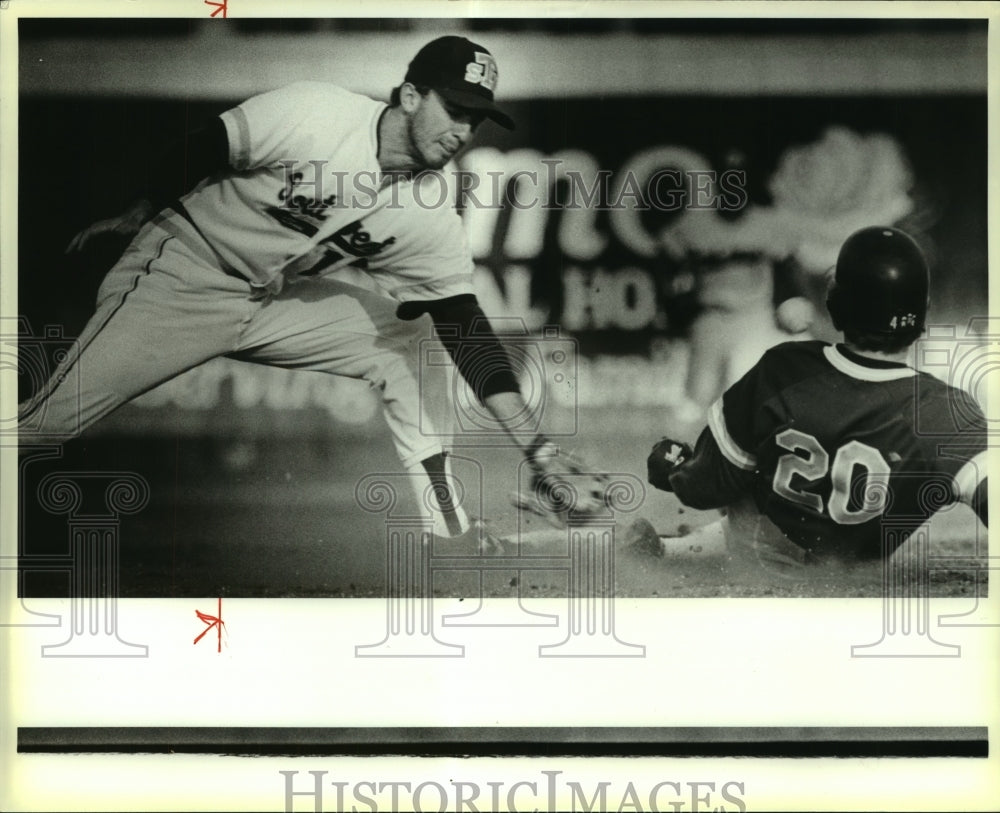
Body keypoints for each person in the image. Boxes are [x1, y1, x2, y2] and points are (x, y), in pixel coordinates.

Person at [19, 35, 564, 540]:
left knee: (411, 337)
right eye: (455, 110)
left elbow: (463, 326)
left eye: (475, 119)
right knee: (47, 424)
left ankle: (449, 531)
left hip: (264, 299)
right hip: (181, 275)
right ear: (410, 96)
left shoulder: (428, 210)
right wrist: (143, 205)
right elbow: (210, 143)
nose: (463, 132)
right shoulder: (318, 113)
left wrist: (538, 449)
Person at [645, 226, 988, 566]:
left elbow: (708, 487)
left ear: (835, 305)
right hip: (857, 575)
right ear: (921, 314)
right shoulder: (946, 411)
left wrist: (675, 467)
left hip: (764, 559)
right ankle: (678, 547)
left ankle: (670, 549)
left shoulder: (783, 370)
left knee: (753, 493)